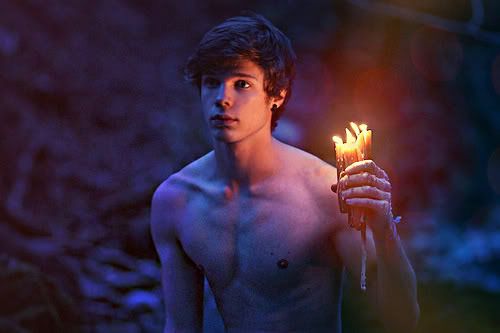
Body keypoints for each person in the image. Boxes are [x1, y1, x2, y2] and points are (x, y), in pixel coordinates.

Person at [150, 13, 419, 333]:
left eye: (241, 84)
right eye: (212, 82)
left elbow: (400, 320)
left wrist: (383, 227)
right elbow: (180, 327)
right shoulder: (175, 201)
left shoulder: (327, 192)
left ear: (276, 94)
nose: (222, 99)